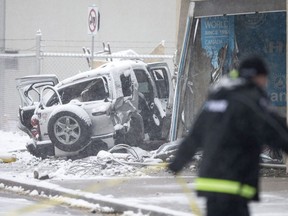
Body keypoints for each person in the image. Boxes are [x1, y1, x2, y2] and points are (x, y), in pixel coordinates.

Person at [168, 56, 288, 216]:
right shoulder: (251, 100)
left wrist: (177, 162)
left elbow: (195, 136)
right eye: (264, 78)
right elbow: (275, 130)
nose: (265, 83)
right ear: (257, 76)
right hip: (235, 181)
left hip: (210, 182)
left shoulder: (216, 99)